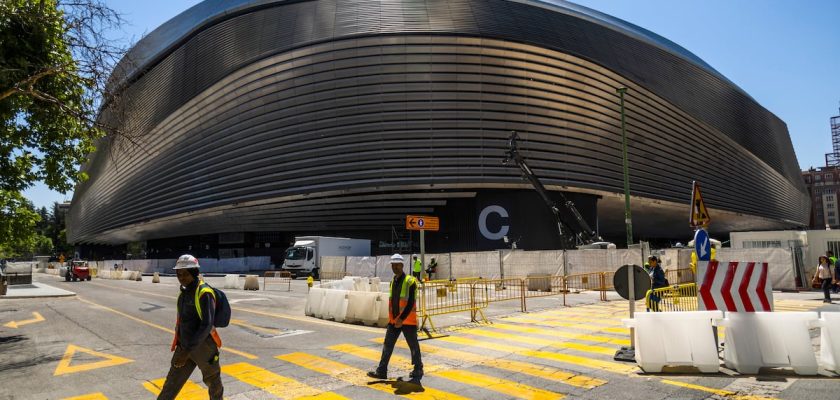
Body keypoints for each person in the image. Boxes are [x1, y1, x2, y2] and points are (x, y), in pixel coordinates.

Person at [157, 255, 223, 400]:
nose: (181, 277)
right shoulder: (184, 292)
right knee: (171, 384)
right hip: (185, 347)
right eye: (179, 274)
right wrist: (181, 346)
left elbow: (206, 325)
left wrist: (187, 352)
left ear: (194, 272)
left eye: (185, 274)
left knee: (214, 385)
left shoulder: (204, 293)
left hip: (204, 348)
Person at [368, 254, 423, 386]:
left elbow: (410, 303)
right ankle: (381, 371)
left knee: (413, 346)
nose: (395, 267)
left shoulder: (410, 281)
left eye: (397, 265)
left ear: (402, 265)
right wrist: (393, 319)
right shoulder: (393, 281)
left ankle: (418, 368)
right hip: (394, 321)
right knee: (387, 345)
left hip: (407, 321)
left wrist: (402, 318)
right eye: (393, 265)